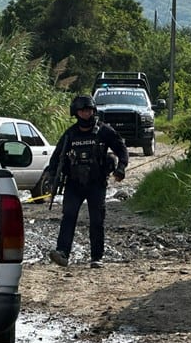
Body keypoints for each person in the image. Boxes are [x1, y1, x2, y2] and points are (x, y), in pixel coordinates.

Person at [47, 94, 129, 268]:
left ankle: (96, 257)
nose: (86, 114)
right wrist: (51, 175)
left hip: (96, 184)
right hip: (74, 184)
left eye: (89, 110)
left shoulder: (104, 131)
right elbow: (56, 158)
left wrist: (121, 167)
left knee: (97, 220)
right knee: (68, 216)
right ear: (76, 113)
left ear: (94, 111)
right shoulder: (69, 134)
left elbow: (121, 149)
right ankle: (62, 252)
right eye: (83, 111)